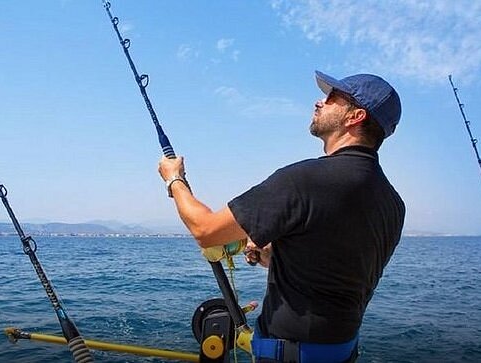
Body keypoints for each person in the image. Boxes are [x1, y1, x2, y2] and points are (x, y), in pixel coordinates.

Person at [158, 71, 405, 363]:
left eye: (332, 98)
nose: (319, 102)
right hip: (342, 354)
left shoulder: (305, 180)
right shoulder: (393, 203)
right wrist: (273, 255)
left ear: (356, 116)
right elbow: (335, 269)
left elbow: (205, 229)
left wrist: (175, 180)